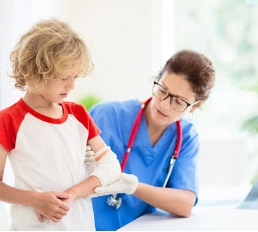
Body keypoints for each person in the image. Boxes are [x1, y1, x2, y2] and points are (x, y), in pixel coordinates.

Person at [0, 18, 136, 230]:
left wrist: (73, 194)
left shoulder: (78, 115)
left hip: (80, 225)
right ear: (37, 71)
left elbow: (111, 165)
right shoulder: (9, 119)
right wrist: (35, 199)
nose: (72, 85)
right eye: (65, 76)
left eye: (75, 76)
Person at [87, 49, 215, 230]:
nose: (164, 104)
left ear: (195, 106)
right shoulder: (105, 115)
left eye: (178, 102)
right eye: (162, 90)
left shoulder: (185, 137)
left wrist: (134, 188)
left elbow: (185, 204)